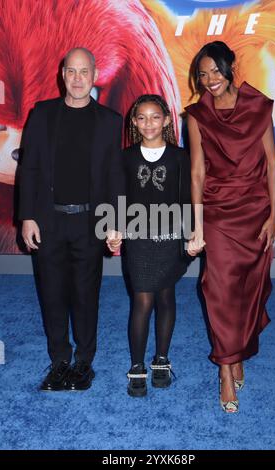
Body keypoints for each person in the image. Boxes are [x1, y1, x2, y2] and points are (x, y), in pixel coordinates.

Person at [19, 47, 125, 391]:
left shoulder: (110, 121)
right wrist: (27, 217)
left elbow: (114, 176)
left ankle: (83, 362)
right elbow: (30, 168)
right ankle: (59, 361)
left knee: (85, 294)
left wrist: (115, 221)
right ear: (62, 75)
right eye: (71, 72)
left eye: (84, 72)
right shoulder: (42, 114)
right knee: (51, 293)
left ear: (94, 76)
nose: (78, 79)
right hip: (49, 221)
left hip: (89, 223)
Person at [185, 41, 275, 412]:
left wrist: (274, 216)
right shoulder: (196, 115)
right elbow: (196, 173)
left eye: (214, 71)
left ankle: (236, 350)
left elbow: (272, 164)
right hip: (218, 214)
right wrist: (198, 225)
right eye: (202, 74)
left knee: (248, 288)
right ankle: (226, 369)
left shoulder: (258, 107)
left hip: (256, 211)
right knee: (219, 289)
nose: (209, 79)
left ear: (229, 67)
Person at [107, 94, 194, 397]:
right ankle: (136, 365)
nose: (148, 123)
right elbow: (119, 195)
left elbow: (185, 199)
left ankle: (162, 360)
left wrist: (192, 234)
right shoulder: (126, 157)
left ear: (167, 120)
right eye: (141, 117)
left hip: (170, 239)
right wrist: (114, 228)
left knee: (166, 296)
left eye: (155, 116)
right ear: (133, 122)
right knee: (143, 301)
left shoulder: (180, 157)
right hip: (139, 238)